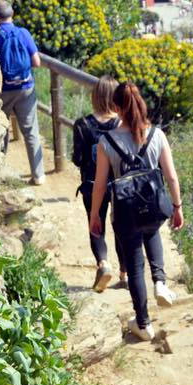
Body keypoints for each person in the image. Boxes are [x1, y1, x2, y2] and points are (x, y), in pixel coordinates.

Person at [89, 82, 184, 341]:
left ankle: (143, 324)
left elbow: (99, 185)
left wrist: (95, 215)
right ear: (141, 103)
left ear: (116, 107)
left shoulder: (106, 141)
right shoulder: (157, 135)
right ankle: (161, 282)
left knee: (134, 264)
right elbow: (172, 177)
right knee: (152, 234)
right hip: (152, 206)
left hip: (125, 211)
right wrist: (177, 207)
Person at [72, 76, 125, 293]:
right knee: (121, 227)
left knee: (96, 224)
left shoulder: (82, 125)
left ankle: (103, 264)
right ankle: (125, 273)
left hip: (92, 184)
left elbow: (77, 159)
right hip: (120, 185)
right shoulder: (122, 124)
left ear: (95, 97)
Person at [0, 0, 44, 185]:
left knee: (1, 127)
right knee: (31, 132)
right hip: (25, 87)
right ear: (12, 14)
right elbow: (37, 62)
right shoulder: (23, 33)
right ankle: (38, 175)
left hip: (4, 89)